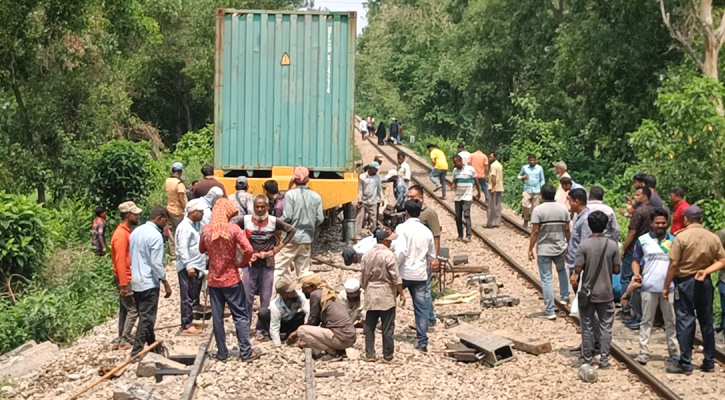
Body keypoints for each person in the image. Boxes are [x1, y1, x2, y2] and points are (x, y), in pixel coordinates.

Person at [664, 205, 725, 374]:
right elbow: (722, 260)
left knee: (685, 319)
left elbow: (674, 263)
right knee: (706, 320)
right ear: (701, 219)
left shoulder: (681, 237)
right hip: (704, 281)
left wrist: (666, 285)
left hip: (685, 282)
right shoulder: (712, 237)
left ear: (686, 219)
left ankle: (685, 362)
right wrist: (706, 271)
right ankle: (709, 361)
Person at [199, 198, 259, 362]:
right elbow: (248, 249)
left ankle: (222, 353)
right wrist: (242, 262)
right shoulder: (233, 229)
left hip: (213, 280)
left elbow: (201, 249)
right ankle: (246, 352)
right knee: (240, 315)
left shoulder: (207, 229)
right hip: (231, 278)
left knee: (217, 317)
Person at [570, 211, 621, 370]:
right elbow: (617, 270)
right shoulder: (612, 245)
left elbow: (576, 271)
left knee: (587, 326)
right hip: (606, 292)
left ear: (590, 226)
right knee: (606, 326)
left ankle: (588, 359)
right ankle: (604, 359)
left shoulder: (584, 245)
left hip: (588, 292)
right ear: (606, 225)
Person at [241, 195, 296, 336]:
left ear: (267, 207)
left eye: (262, 207)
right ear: (253, 207)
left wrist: (276, 249)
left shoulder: (273, 221)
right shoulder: (246, 220)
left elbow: (291, 231)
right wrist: (244, 251)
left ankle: (261, 327)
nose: (259, 209)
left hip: (267, 264)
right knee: (247, 295)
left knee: (266, 297)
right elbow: (233, 233)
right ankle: (245, 326)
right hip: (250, 263)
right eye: (257, 207)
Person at [631, 208, 678, 366]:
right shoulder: (642, 240)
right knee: (646, 320)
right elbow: (636, 260)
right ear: (651, 223)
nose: (660, 225)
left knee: (670, 321)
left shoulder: (673, 240)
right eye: (657, 223)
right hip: (648, 287)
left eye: (663, 223)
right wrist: (637, 274)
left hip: (669, 288)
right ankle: (643, 351)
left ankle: (674, 351)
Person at [129, 206, 173, 356]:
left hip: (136, 281)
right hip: (149, 282)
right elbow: (156, 263)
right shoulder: (155, 236)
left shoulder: (136, 232)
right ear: (159, 218)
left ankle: (153, 347)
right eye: (165, 222)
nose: (165, 225)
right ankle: (136, 351)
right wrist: (165, 282)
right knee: (147, 318)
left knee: (145, 316)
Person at [394, 199, 436, 353]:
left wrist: (394, 267)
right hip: (420, 275)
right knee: (421, 308)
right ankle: (422, 340)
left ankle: (386, 328)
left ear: (406, 213)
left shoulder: (401, 228)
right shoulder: (427, 231)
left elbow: (400, 252)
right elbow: (432, 256)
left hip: (403, 274)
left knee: (390, 300)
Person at [361, 226, 406, 362]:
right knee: (387, 326)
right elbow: (395, 277)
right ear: (385, 241)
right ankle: (388, 355)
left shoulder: (367, 254)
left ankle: (370, 354)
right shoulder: (388, 255)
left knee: (370, 326)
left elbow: (363, 277)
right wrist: (401, 293)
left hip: (371, 292)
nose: (391, 242)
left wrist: (366, 288)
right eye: (390, 240)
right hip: (385, 293)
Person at [528, 184, 571, 320]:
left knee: (546, 279)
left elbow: (535, 231)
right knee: (562, 271)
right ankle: (565, 297)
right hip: (560, 246)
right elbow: (567, 229)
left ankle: (550, 310)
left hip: (544, 248)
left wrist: (530, 248)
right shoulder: (563, 208)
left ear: (542, 196)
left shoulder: (538, 210)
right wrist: (569, 244)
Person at [296, 274, 357, 360]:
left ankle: (332, 353)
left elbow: (313, 321)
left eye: (304, 289)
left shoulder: (315, 294)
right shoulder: (328, 293)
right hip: (349, 337)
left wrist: (296, 334)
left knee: (301, 330)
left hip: (340, 338)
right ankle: (339, 351)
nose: (302, 291)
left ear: (311, 287)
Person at [278, 166, 324, 279]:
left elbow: (287, 216)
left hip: (290, 239)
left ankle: (274, 295)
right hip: (307, 238)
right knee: (303, 272)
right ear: (308, 179)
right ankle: (302, 294)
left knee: (279, 269)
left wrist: (276, 223)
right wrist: (310, 224)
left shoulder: (290, 195)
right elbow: (320, 218)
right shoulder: (316, 196)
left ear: (294, 179)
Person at [406, 186, 440, 326]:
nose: (408, 199)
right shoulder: (409, 210)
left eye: (412, 197)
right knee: (424, 290)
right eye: (408, 197)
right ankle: (430, 317)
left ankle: (426, 319)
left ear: (421, 198)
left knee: (424, 291)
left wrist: (435, 258)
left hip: (424, 259)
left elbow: (436, 236)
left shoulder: (429, 214)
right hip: (412, 257)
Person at [110, 201, 142, 350]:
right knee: (133, 309)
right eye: (135, 214)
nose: (138, 216)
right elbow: (120, 261)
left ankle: (121, 335)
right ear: (129, 216)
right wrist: (123, 283)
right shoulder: (121, 236)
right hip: (126, 277)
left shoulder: (125, 232)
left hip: (126, 277)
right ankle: (124, 339)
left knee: (125, 309)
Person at [620, 186, 654, 323]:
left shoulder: (639, 212)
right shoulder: (654, 209)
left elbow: (632, 232)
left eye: (638, 194)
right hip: (648, 248)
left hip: (634, 248)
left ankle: (627, 307)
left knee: (628, 278)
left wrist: (624, 248)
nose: (635, 197)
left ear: (645, 196)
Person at [175, 199, 206, 335]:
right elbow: (183, 248)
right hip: (188, 267)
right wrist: (188, 265)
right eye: (200, 212)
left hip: (196, 265)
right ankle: (186, 324)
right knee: (187, 296)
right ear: (193, 213)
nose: (203, 214)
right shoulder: (184, 227)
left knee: (192, 295)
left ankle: (190, 320)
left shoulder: (196, 225)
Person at [259, 277, 310, 346]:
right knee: (263, 313)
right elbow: (274, 326)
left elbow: (308, 312)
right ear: (283, 294)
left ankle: (291, 335)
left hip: (291, 322)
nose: (294, 292)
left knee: (302, 315)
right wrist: (278, 345)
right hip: (280, 323)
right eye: (291, 291)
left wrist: (305, 333)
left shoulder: (299, 296)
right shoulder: (275, 306)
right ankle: (271, 336)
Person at [452, 154, 481, 242]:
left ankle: (468, 235)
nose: (455, 165)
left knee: (466, 215)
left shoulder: (470, 169)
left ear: (460, 161)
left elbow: (476, 181)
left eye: (456, 163)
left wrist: (479, 192)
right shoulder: (455, 171)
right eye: (454, 163)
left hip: (467, 196)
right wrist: (453, 185)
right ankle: (460, 235)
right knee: (458, 216)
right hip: (458, 196)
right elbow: (454, 181)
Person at [566, 188, 592, 276]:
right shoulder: (579, 216)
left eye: (570, 201)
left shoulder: (585, 219)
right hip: (575, 264)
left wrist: (577, 271)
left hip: (579, 266)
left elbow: (584, 246)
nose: (569, 204)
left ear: (577, 201)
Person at [165, 162, 187, 262]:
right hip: (178, 211)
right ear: (180, 172)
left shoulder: (168, 181)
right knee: (181, 233)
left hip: (169, 209)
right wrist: (186, 209)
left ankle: (173, 255)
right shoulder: (179, 184)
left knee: (171, 233)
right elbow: (181, 199)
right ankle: (181, 254)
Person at [517, 154, 545, 227]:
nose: (532, 162)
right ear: (528, 161)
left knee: (535, 208)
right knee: (525, 204)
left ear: (536, 160)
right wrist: (522, 177)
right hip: (527, 189)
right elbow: (518, 176)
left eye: (533, 160)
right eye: (531, 160)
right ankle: (526, 218)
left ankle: (533, 223)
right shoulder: (525, 168)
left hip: (536, 190)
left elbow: (542, 179)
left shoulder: (539, 168)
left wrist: (542, 189)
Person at [357, 161, 383, 233]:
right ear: (371, 169)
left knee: (373, 219)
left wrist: (381, 198)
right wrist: (359, 200)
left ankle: (372, 233)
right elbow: (360, 189)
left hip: (373, 201)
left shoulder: (377, 178)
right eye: (375, 169)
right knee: (360, 218)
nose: (377, 171)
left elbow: (379, 189)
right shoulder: (362, 177)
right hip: (363, 201)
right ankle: (357, 233)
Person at [486, 152, 504, 228]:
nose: (489, 159)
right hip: (500, 187)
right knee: (498, 206)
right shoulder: (500, 165)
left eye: (491, 157)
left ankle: (491, 223)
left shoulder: (493, 166)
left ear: (495, 158)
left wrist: (493, 187)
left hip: (493, 188)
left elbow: (494, 177)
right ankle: (497, 222)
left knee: (491, 206)